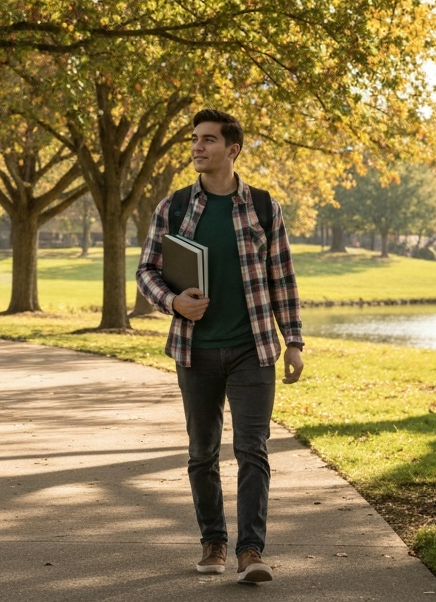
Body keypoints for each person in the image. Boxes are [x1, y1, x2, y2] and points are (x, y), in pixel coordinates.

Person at [135, 108, 306, 584]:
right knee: (202, 452)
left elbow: (282, 279)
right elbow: (146, 271)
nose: (196, 147)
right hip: (195, 351)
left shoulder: (264, 207)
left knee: (253, 450)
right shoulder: (173, 206)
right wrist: (173, 302)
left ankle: (251, 552)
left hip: (253, 348)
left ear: (232, 150)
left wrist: (292, 340)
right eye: (194, 139)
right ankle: (214, 541)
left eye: (207, 140)